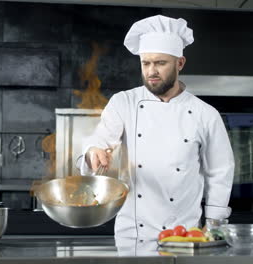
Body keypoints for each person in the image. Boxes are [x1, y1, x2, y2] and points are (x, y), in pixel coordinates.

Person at [78, 15, 235, 239]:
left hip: (184, 234)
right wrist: (93, 152)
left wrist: (213, 224)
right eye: (146, 63)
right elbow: (99, 141)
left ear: (180, 63)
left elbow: (220, 172)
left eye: (160, 63)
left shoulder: (205, 114)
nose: (152, 71)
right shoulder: (124, 102)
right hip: (133, 235)